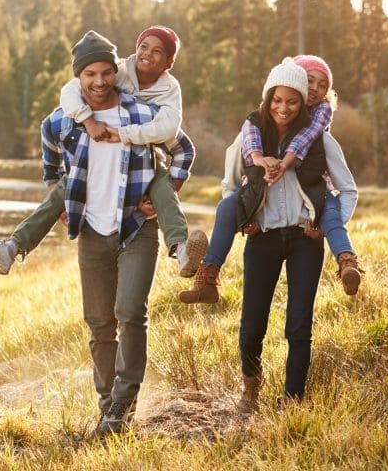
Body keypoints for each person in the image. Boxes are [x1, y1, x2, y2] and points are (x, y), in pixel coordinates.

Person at [37, 30, 193, 436]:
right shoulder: (65, 119)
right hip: (91, 230)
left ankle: (122, 408)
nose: (100, 81)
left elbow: (183, 148)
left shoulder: (141, 114)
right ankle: (108, 409)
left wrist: (163, 194)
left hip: (136, 227)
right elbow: (49, 150)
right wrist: (57, 195)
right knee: (99, 323)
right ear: (79, 78)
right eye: (90, 74)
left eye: (107, 72)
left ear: (115, 74)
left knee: (130, 314)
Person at [0, 26, 207, 278]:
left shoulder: (168, 92)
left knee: (162, 185)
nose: (147, 54)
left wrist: (163, 192)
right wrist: (88, 120)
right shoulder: (117, 71)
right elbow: (71, 90)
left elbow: (173, 132)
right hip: (97, 164)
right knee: (66, 185)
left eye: (157, 51)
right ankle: (10, 249)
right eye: (143, 46)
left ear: (169, 62)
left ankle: (181, 249)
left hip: (146, 161)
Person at [221, 59, 358, 410]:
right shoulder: (251, 135)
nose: (285, 106)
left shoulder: (321, 141)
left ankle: (293, 398)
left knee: (298, 323)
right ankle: (251, 389)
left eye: (296, 99)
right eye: (279, 100)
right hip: (262, 238)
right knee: (252, 322)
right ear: (271, 98)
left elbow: (348, 190)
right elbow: (229, 186)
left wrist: (326, 223)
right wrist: (242, 219)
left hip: (304, 240)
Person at [178, 54, 364, 304]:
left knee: (330, 212)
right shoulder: (257, 122)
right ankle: (207, 275)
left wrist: (284, 162)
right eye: (310, 81)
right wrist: (256, 163)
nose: (315, 90)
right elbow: (243, 149)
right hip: (263, 208)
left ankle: (347, 262)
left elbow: (305, 139)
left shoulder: (319, 119)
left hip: (313, 194)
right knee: (226, 207)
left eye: (323, 86)